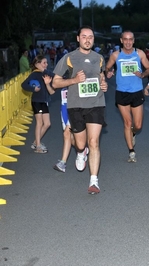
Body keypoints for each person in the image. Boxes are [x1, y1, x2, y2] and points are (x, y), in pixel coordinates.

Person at [52, 25, 108, 194]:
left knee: (94, 142)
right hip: (75, 105)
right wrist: (74, 80)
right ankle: (80, 152)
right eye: (84, 36)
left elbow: (101, 76)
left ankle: (94, 181)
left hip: (96, 104)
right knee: (81, 143)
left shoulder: (99, 58)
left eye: (90, 36)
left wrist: (103, 84)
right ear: (78, 39)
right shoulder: (68, 58)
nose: (87, 39)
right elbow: (55, 83)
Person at [105, 30, 149, 162]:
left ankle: (133, 133)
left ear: (133, 40)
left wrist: (142, 74)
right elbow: (107, 68)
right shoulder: (115, 55)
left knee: (137, 125)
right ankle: (131, 152)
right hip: (122, 92)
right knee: (128, 122)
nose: (128, 42)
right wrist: (108, 72)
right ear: (121, 40)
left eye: (130, 39)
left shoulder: (139, 53)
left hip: (137, 91)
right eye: (125, 39)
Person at [21, 55, 55, 153]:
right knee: (39, 123)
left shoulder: (46, 73)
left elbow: (55, 76)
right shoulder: (34, 74)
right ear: (37, 64)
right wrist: (33, 89)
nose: (46, 64)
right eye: (44, 63)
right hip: (36, 101)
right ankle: (38, 146)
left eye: (47, 62)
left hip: (44, 101)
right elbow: (23, 85)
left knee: (47, 123)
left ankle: (36, 142)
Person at [53, 86, 78, 173]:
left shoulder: (79, 73)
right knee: (70, 137)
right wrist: (48, 84)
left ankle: (63, 163)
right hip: (64, 108)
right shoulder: (61, 74)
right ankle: (82, 150)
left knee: (66, 133)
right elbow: (52, 91)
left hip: (76, 107)